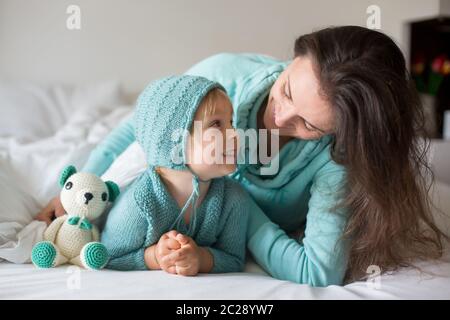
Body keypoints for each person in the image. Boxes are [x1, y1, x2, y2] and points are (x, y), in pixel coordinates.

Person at [36, 26, 446, 286]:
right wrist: (82, 186)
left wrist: (234, 201)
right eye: (286, 90)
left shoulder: (336, 163)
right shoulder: (223, 77)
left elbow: (317, 272)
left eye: (308, 125)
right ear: (291, 61)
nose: (279, 116)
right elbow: (141, 126)